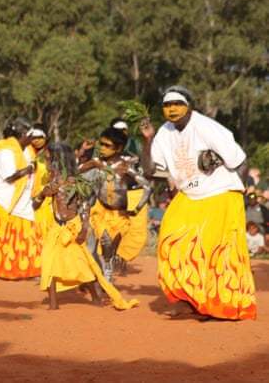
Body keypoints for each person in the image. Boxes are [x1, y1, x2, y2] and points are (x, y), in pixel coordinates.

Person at [140, 86, 257, 320]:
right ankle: (188, 299)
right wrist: (147, 139)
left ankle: (218, 305)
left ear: (189, 105)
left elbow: (240, 160)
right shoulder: (164, 131)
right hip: (189, 195)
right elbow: (150, 170)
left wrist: (237, 199)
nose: (172, 109)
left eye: (177, 104)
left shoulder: (206, 127)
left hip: (220, 192)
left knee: (213, 251)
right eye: (167, 105)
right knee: (169, 241)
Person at [38, 143, 139, 311]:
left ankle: (97, 297)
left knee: (82, 265)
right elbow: (39, 201)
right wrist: (43, 194)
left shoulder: (73, 180)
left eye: (49, 158)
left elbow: (84, 205)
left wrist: (84, 229)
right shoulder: (52, 179)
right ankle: (53, 304)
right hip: (56, 227)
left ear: (58, 160)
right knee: (49, 261)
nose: (46, 161)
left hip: (73, 227)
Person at [79, 127, 152, 281]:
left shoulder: (126, 166)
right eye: (101, 144)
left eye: (107, 146)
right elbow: (76, 172)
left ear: (118, 148)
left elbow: (146, 186)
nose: (103, 148)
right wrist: (83, 156)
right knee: (99, 244)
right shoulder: (96, 162)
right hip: (100, 211)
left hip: (119, 215)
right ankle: (97, 278)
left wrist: (136, 209)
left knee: (109, 250)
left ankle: (106, 277)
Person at [0, 118, 41, 279]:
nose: (32, 138)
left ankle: (29, 270)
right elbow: (10, 177)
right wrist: (29, 169)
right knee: (0, 235)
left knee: (27, 233)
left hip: (21, 200)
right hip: (1, 200)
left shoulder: (28, 151)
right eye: (29, 135)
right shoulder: (6, 153)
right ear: (21, 135)